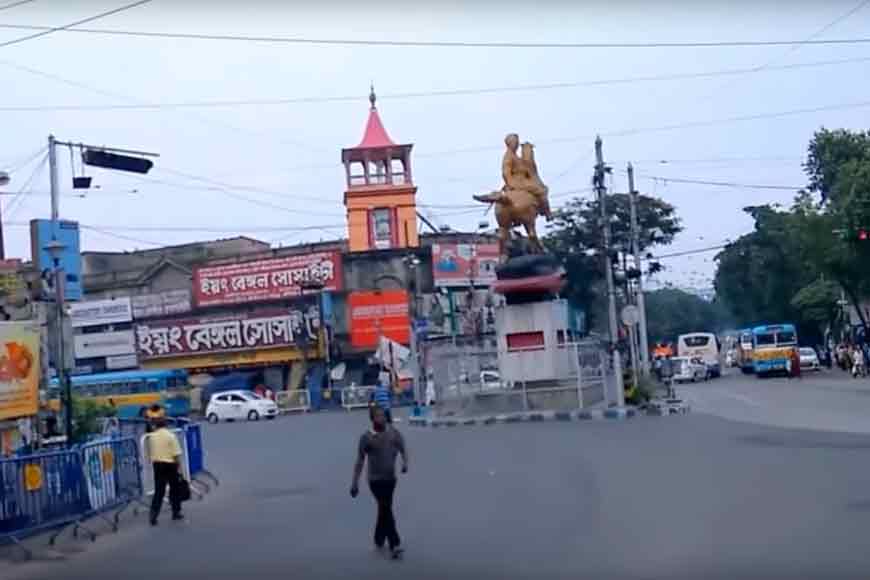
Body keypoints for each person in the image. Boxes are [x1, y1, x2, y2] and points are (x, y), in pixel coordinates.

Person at [350, 406, 408, 559]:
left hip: (391, 479)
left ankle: (378, 538)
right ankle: (395, 543)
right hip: (375, 481)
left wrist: (405, 463)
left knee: (384, 509)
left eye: (383, 416)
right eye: (377, 416)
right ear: (372, 419)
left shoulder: (393, 433)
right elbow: (360, 461)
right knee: (386, 508)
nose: (381, 418)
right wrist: (355, 483)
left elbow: (403, 448)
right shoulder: (367, 437)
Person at [147, 416, 185, 525]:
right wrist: (180, 469)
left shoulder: (152, 437)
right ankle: (176, 512)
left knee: (159, 491)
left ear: (156, 426)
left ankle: (153, 515)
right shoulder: (171, 436)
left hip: (157, 464)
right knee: (174, 489)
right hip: (170, 464)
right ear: (166, 425)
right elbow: (176, 454)